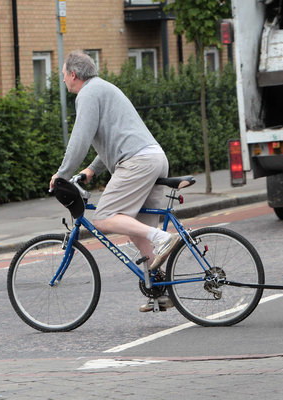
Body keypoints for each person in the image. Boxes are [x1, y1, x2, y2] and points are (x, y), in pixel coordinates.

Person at [49, 50, 180, 312]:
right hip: (153, 157)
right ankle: (160, 291)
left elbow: (80, 140)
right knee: (136, 230)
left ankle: (163, 237)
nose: (63, 81)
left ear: (73, 75)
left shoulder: (87, 94)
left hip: (137, 163)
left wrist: (61, 174)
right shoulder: (104, 89)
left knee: (104, 217)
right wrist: (91, 171)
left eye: (63, 76)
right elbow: (111, 139)